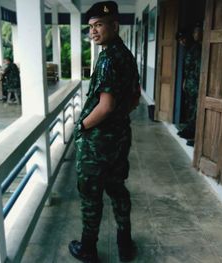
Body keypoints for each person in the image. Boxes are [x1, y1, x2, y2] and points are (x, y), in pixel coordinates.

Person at [68, 1, 140, 262]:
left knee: (91, 195)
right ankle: (124, 244)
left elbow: (106, 106)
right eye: (90, 27)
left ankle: (88, 248)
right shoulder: (125, 54)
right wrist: (118, 121)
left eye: (99, 25)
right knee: (117, 189)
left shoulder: (108, 58)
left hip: (98, 143)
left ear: (114, 25)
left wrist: (82, 125)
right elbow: (134, 98)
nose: (93, 32)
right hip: (120, 138)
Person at [178, 23, 203, 146]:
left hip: (196, 85)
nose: (181, 42)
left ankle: (192, 133)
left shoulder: (197, 49)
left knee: (195, 109)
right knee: (190, 107)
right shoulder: (189, 49)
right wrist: (185, 81)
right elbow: (188, 70)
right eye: (180, 40)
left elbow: (198, 69)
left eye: (183, 39)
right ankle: (190, 129)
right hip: (190, 84)